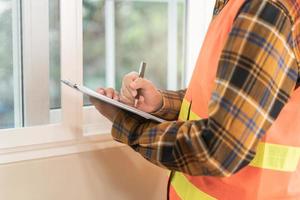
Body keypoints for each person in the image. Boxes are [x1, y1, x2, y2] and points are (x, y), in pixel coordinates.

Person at [90, 0, 300, 199]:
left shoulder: (265, 10)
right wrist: (160, 103)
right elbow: (231, 101)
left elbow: (220, 149)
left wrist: (127, 124)